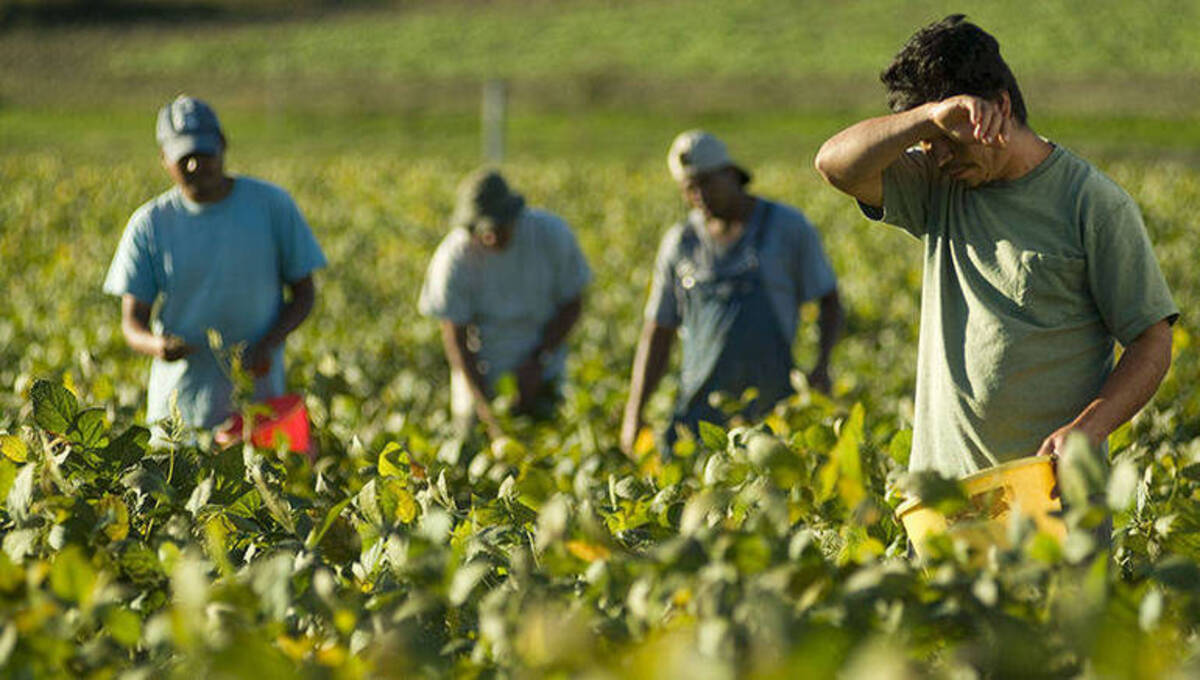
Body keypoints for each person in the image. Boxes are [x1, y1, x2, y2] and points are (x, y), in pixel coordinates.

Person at [814, 15, 1178, 480]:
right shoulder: (938, 185)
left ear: (1000, 107)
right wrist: (928, 118)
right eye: (928, 143)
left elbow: (1152, 340)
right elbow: (834, 164)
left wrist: (1088, 429)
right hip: (947, 499)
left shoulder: (1091, 203)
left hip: (1051, 494)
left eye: (948, 140)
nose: (938, 155)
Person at [103, 95, 327, 435]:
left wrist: (268, 343)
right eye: (184, 157)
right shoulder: (150, 224)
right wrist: (159, 346)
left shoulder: (271, 206)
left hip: (258, 405)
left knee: (258, 482)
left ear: (222, 146)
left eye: (203, 154)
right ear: (164, 159)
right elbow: (132, 324)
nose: (196, 166)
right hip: (179, 412)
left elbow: (304, 294)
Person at [621, 130, 843, 455]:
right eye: (689, 189)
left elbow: (829, 299)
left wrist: (822, 365)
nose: (699, 196)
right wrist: (634, 414)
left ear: (731, 174)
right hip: (700, 416)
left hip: (772, 410)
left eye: (706, 183)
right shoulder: (681, 243)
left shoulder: (786, 228)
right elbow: (658, 330)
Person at [419, 169, 591, 438]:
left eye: (498, 228)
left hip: (545, 375)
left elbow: (573, 303)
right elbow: (456, 339)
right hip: (479, 380)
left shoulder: (550, 235)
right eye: (482, 230)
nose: (491, 237)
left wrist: (538, 361)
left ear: (514, 216)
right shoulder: (455, 257)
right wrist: (485, 408)